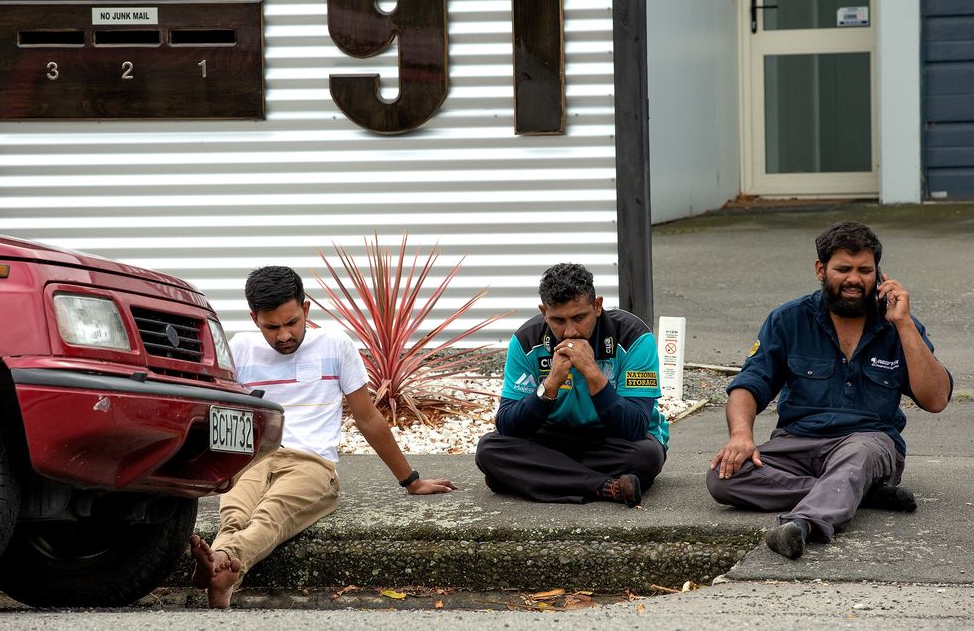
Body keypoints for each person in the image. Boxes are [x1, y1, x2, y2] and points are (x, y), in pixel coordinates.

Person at [190, 266, 455, 607]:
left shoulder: (334, 344)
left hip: (311, 464)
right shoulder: (240, 347)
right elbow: (222, 413)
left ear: (306, 310)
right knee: (235, 513)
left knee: (271, 513)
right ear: (255, 318)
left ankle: (225, 559)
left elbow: (367, 416)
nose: (284, 335)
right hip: (253, 459)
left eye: (292, 323)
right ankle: (222, 570)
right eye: (272, 327)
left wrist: (412, 481)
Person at [706, 221, 952, 560]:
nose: (854, 279)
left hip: (869, 442)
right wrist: (740, 437)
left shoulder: (898, 324)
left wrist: (905, 324)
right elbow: (749, 385)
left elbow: (936, 399)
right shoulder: (788, 319)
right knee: (723, 478)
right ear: (821, 269)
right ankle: (858, 493)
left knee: (858, 455)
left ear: (879, 275)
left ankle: (804, 523)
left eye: (865, 270)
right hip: (797, 443)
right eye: (843, 269)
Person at [475, 263, 669, 507]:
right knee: (489, 449)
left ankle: (532, 477)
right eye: (558, 320)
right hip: (553, 439)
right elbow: (508, 425)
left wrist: (593, 374)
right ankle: (606, 487)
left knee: (646, 457)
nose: (570, 331)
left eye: (579, 317)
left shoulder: (634, 338)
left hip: (611, 441)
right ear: (544, 312)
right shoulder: (526, 340)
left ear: (597, 306)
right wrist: (550, 384)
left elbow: (635, 426)